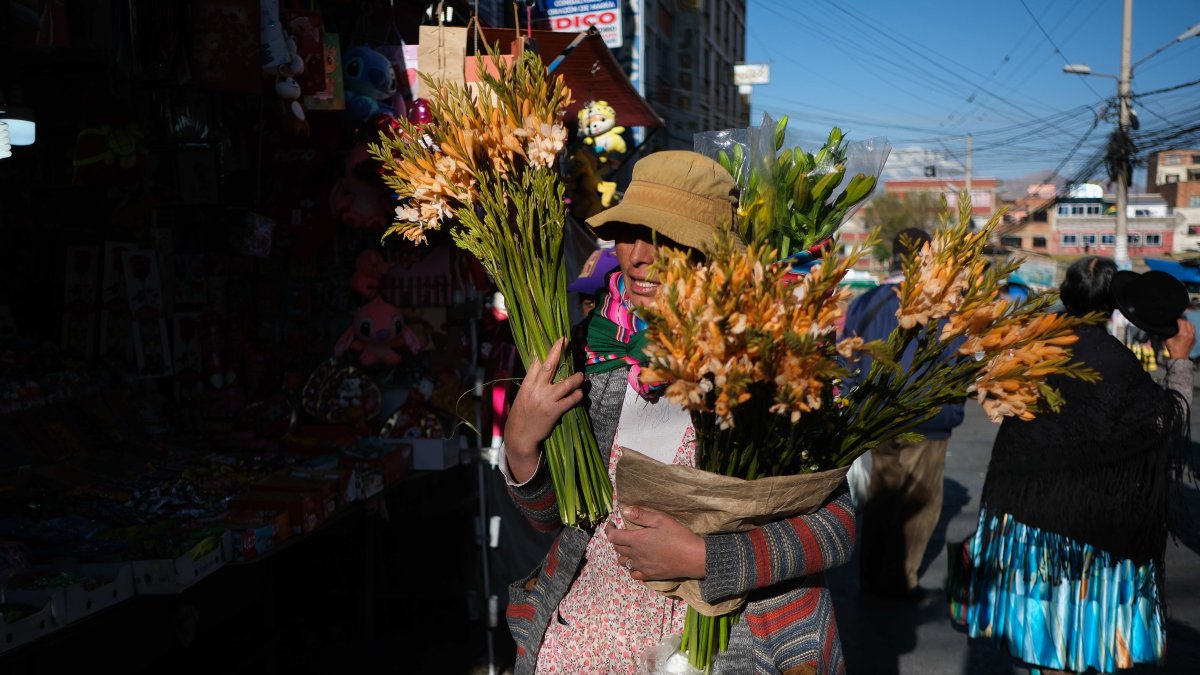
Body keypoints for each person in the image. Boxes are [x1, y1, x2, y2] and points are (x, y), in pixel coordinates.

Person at [499, 150, 856, 674]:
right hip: (582, 647)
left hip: (719, 650)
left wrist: (707, 561)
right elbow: (554, 519)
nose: (639, 255)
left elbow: (837, 528)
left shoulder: (772, 368)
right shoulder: (591, 352)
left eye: (665, 238)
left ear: (715, 258)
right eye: (628, 233)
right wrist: (521, 446)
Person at [960, 257, 1195, 674]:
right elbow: (1164, 422)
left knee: (1041, 638)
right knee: (1077, 640)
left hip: (1025, 520)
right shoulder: (1115, 362)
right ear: (1115, 306)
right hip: (1087, 533)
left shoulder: (1036, 346)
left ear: (1066, 296)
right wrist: (1179, 360)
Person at [840, 227, 965, 602]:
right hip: (925, 418)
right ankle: (898, 583)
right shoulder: (939, 306)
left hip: (876, 419)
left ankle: (872, 578)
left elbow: (845, 358)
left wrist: (853, 408)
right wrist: (954, 409)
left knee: (881, 499)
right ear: (925, 258)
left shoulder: (866, 303)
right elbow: (958, 360)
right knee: (918, 504)